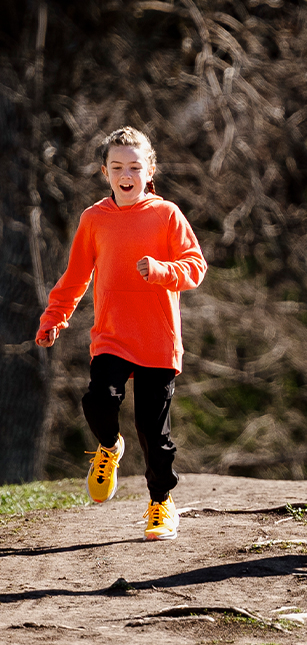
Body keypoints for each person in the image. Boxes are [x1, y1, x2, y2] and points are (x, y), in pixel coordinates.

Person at [36, 126, 207, 539]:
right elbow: (76, 276)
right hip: (112, 334)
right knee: (99, 400)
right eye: (117, 167)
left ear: (150, 171)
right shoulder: (94, 219)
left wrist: (163, 270)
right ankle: (109, 447)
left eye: (134, 166)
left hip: (157, 339)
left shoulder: (167, 215)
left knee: (153, 430)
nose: (125, 173)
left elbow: (196, 267)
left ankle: (161, 503)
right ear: (105, 172)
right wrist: (54, 317)